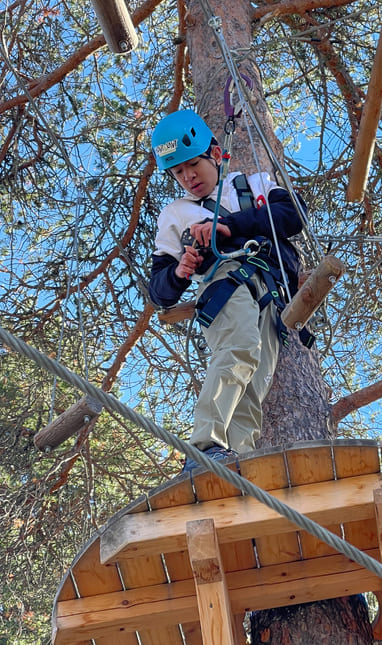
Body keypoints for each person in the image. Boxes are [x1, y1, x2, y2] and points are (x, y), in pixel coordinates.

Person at [148, 109, 305, 472]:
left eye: (193, 165)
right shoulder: (176, 215)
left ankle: (237, 465)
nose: (188, 178)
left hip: (273, 294)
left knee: (253, 384)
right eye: (178, 172)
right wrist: (180, 271)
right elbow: (159, 292)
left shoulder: (253, 186)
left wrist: (228, 225)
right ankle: (205, 448)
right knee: (238, 349)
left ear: (215, 155)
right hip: (226, 282)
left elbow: (294, 215)